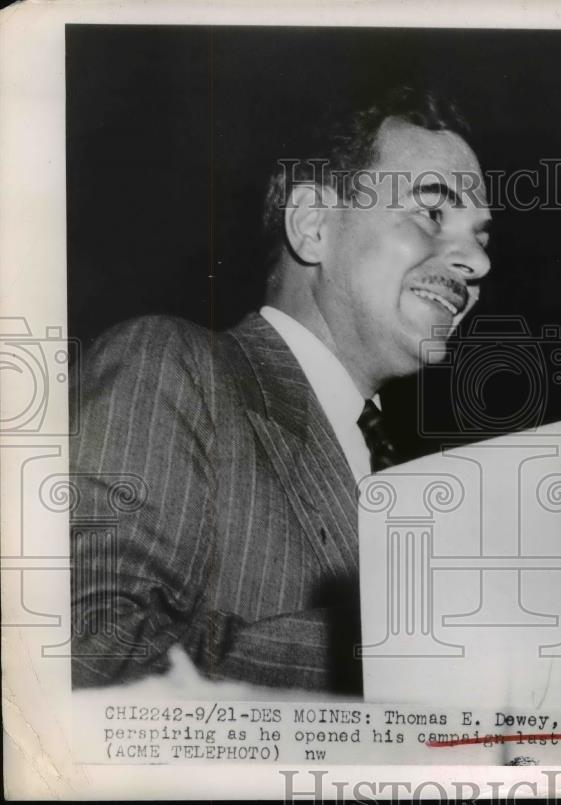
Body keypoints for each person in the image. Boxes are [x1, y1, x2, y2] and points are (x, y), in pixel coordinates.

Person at [70, 87, 492, 692]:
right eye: (432, 213)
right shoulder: (170, 367)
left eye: (483, 236)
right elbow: (88, 653)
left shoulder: (416, 486)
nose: (477, 262)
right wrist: (393, 646)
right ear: (314, 226)